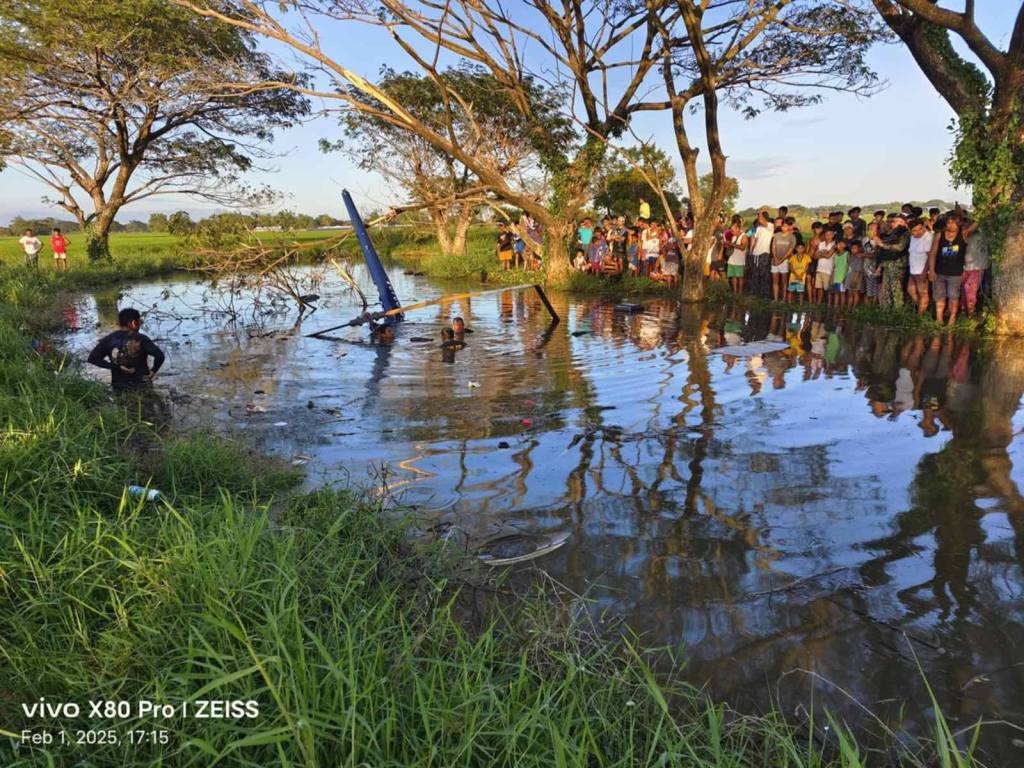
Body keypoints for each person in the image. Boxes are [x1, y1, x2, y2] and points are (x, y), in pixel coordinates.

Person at [87, 308, 165, 388]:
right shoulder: (141, 338)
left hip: (118, 386)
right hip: (141, 384)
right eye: (139, 322)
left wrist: (117, 367)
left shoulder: (109, 339)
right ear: (133, 323)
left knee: (121, 400)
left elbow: (93, 358)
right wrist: (153, 371)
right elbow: (159, 356)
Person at [928, 213, 967, 327]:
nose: (951, 225)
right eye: (949, 222)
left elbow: (976, 225)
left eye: (954, 223)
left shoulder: (963, 235)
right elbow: (933, 254)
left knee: (953, 296)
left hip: (955, 272)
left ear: (959, 224)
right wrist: (931, 270)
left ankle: (952, 317)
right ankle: (939, 318)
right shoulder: (939, 236)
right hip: (939, 271)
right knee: (939, 296)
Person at [873, 213, 910, 308]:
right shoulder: (892, 233)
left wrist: (883, 245)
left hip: (898, 263)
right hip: (887, 263)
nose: (891, 224)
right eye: (891, 221)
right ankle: (886, 311)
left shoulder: (905, 233)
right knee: (886, 289)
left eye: (894, 221)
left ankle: (898, 312)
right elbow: (884, 250)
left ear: (902, 222)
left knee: (896, 289)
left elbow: (900, 247)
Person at [906, 217, 933, 315]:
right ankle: (923, 308)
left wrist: (925, 271)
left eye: (920, 229)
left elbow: (930, 256)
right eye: (914, 230)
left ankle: (920, 315)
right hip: (913, 269)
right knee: (910, 290)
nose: (918, 232)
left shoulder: (928, 237)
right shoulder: (912, 237)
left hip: (922, 270)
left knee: (923, 293)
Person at [962, 220, 988, 316]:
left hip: (978, 267)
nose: (965, 228)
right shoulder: (964, 236)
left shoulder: (982, 234)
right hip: (965, 267)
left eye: (967, 226)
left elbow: (979, 222)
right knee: (964, 291)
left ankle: (971, 313)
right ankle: (964, 310)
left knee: (969, 290)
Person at [749, 210, 775, 299]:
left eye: (760, 216)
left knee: (765, 275)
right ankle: (754, 294)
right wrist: (751, 251)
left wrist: (760, 213)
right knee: (754, 275)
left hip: (764, 253)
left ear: (764, 217)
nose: (758, 218)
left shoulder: (770, 225)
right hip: (756, 254)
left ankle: (766, 295)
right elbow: (755, 240)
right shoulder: (758, 228)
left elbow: (762, 221)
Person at [770, 220, 796, 302]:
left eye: (786, 226)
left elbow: (790, 250)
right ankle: (775, 298)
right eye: (783, 226)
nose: (784, 228)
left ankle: (783, 299)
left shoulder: (792, 237)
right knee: (775, 281)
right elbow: (773, 247)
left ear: (789, 227)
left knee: (784, 282)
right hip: (775, 260)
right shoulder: (776, 235)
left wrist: (781, 260)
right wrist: (775, 258)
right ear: (781, 227)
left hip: (785, 261)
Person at [724, 214, 748, 295]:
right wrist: (727, 244)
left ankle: (740, 293)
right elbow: (731, 247)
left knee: (740, 278)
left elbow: (743, 247)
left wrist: (731, 244)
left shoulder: (744, 236)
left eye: (733, 230)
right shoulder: (733, 237)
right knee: (733, 277)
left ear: (738, 229)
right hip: (732, 260)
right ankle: (735, 292)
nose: (731, 232)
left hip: (739, 261)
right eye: (731, 230)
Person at [813, 227, 837, 305]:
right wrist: (824, 253)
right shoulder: (821, 243)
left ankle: (829, 304)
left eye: (830, 234)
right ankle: (819, 303)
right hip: (819, 268)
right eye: (826, 234)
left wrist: (821, 253)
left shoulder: (834, 244)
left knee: (828, 288)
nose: (828, 236)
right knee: (819, 288)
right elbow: (815, 256)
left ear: (833, 235)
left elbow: (828, 256)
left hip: (828, 269)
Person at [845, 240, 866, 308]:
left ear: (859, 249)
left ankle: (854, 308)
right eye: (852, 248)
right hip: (849, 277)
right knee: (849, 294)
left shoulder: (859, 258)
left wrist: (854, 280)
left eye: (855, 248)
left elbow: (858, 271)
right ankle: (849, 308)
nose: (853, 250)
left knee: (855, 293)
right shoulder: (851, 257)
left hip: (856, 279)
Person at [830, 239, 849, 309]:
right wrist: (832, 277)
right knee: (836, 293)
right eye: (839, 244)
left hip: (843, 278)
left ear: (845, 245)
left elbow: (849, 267)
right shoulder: (835, 255)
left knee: (842, 294)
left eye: (842, 244)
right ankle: (835, 307)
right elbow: (834, 267)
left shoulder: (847, 254)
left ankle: (841, 307)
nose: (840, 245)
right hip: (836, 278)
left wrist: (846, 278)